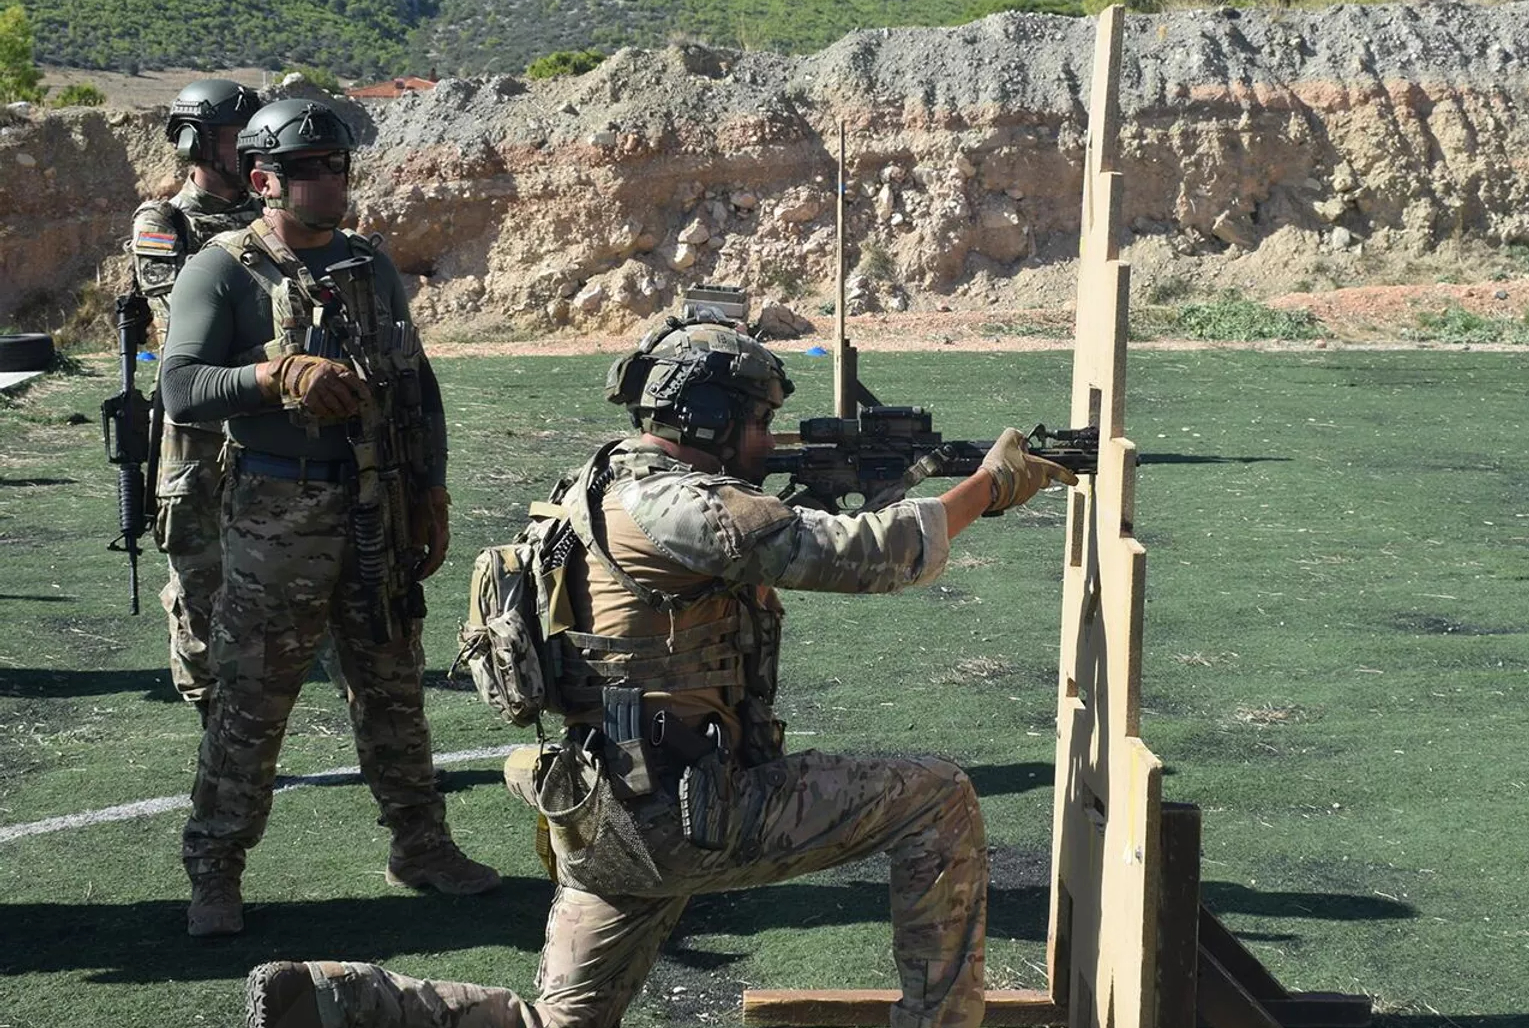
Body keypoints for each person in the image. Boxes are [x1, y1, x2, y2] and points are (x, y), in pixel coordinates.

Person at [241, 319, 1078, 1027]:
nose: (770, 440)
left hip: (605, 812)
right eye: (758, 422)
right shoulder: (683, 507)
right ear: (709, 417)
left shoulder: (599, 483)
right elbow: (869, 554)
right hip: (693, 814)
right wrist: (985, 490)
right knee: (939, 797)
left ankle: (342, 998)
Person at [161, 98, 499, 938]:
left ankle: (421, 846)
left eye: (338, 165)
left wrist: (431, 489)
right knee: (252, 698)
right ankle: (215, 870)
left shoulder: (367, 263)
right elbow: (180, 385)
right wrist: (276, 376)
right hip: (276, 511)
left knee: (392, 687)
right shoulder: (223, 268)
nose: (329, 180)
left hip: (374, 502)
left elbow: (415, 384)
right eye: (309, 168)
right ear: (264, 179)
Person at [132, 78, 346, 723]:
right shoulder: (165, 222)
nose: (249, 146)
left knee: (326, 570)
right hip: (199, 431)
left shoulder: (284, 216)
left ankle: (372, 719)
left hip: (280, 426)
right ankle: (213, 717)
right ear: (197, 141)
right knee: (201, 580)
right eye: (233, 136)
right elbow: (181, 324)